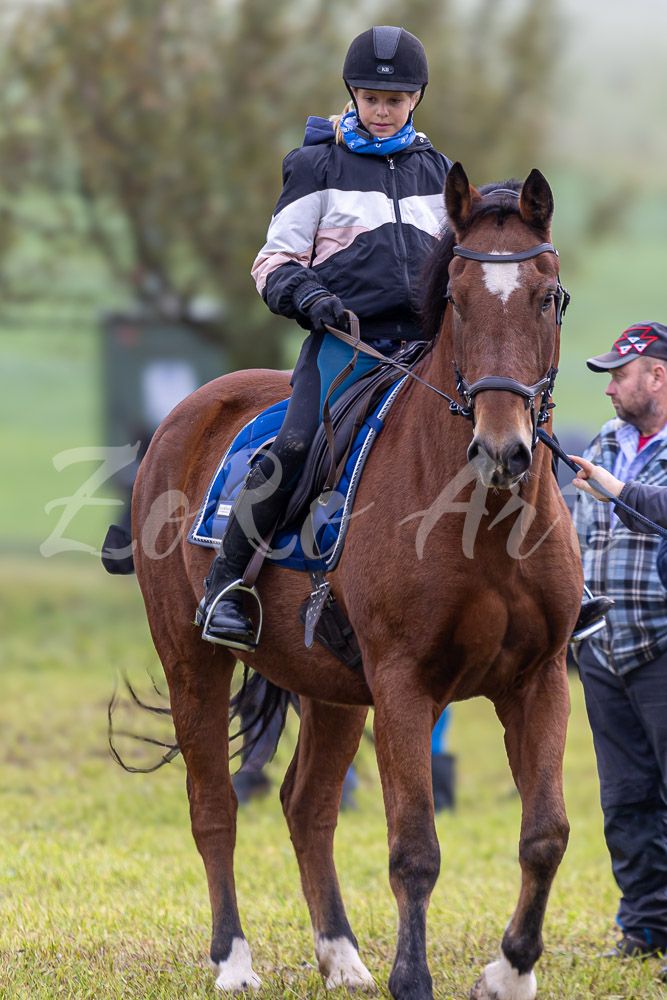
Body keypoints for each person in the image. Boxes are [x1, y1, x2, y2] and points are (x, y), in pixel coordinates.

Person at [197, 25, 452, 649]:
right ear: (352, 95)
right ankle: (227, 586)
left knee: (509, 424)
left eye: (395, 100)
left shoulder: (440, 171)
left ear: (416, 99)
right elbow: (273, 262)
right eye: (371, 98)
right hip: (346, 344)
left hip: (428, 348)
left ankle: (560, 581)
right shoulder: (315, 166)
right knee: (295, 443)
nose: (383, 110)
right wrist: (308, 296)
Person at [571, 321, 667, 961]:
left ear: (657, 376)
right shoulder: (605, 440)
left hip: (663, 644)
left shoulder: (614, 465)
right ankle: (645, 926)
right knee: (625, 798)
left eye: (619, 375)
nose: (609, 389)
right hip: (604, 649)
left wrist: (616, 490)